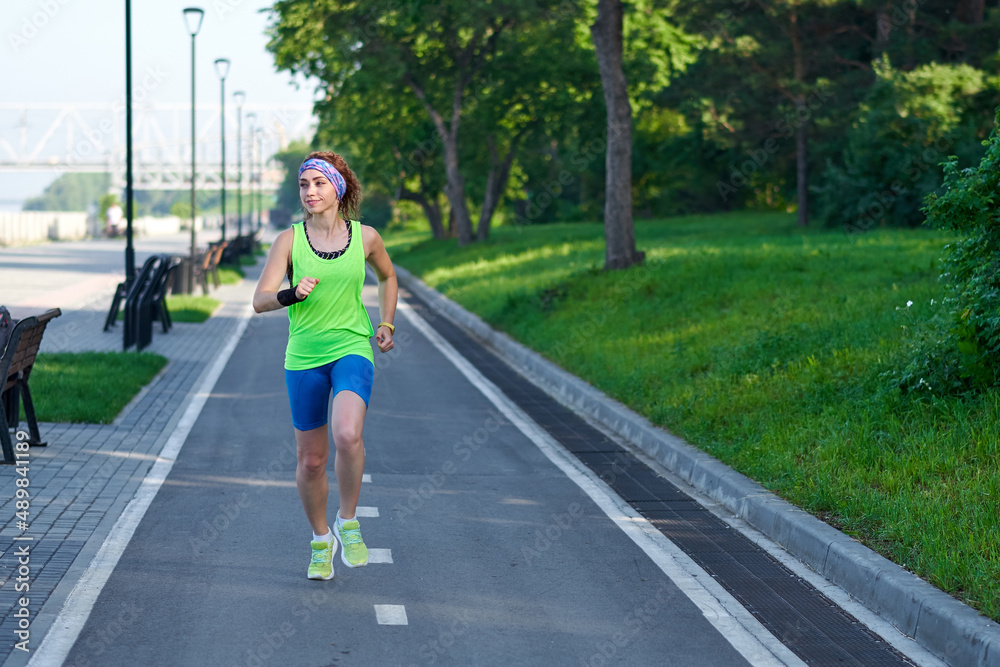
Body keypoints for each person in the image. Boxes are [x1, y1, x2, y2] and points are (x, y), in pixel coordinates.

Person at [253, 151, 397, 580]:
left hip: (352, 346)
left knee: (348, 433)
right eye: (303, 185)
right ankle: (321, 540)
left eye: (318, 183)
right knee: (312, 461)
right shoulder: (289, 241)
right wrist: (291, 294)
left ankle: (347, 523)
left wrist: (386, 322)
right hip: (304, 357)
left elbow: (388, 277)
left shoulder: (366, 237)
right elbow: (259, 300)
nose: (310, 192)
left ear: (338, 187)